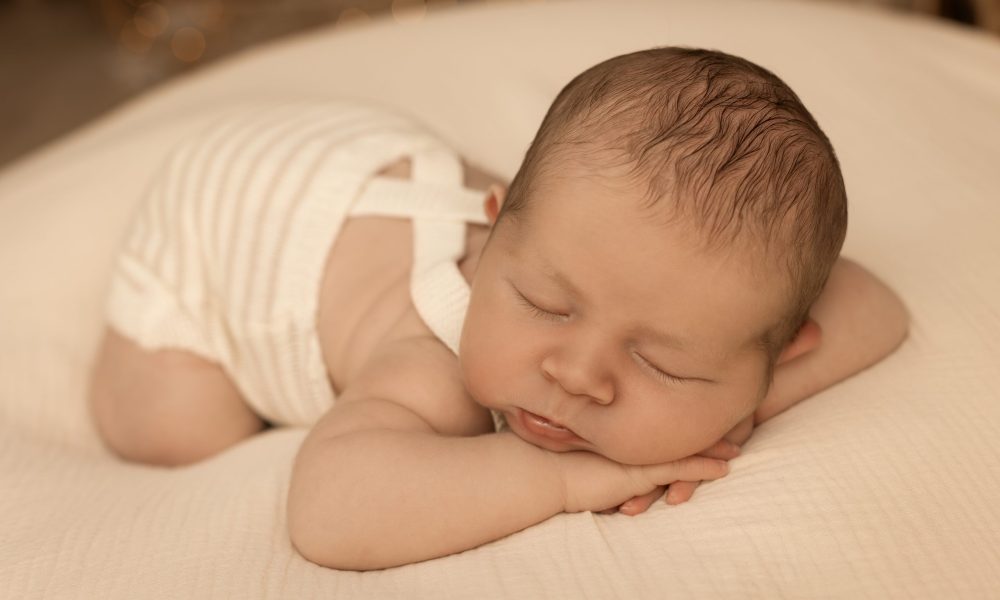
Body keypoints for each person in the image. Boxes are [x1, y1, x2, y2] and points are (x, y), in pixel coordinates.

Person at [88, 46, 909, 571]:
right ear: (491, 234)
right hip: (213, 226)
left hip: (365, 174)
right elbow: (328, 512)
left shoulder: (599, 262)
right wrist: (562, 477)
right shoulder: (433, 361)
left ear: (784, 351)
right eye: (546, 305)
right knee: (178, 431)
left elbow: (875, 307)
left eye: (663, 362)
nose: (577, 375)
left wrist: (727, 408)